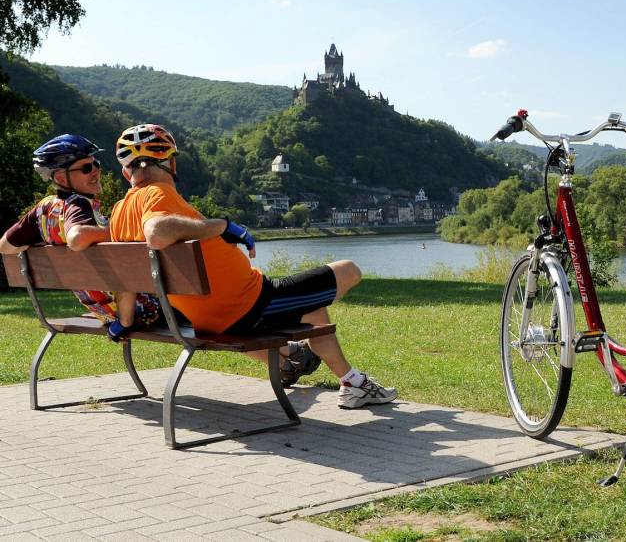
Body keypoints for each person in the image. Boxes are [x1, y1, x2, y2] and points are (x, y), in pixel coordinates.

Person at [107, 124, 395, 408]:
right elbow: (156, 232)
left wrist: (125, 322)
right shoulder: (157, 193)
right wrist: (223, 226)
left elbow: (126, 277)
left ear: (125, 171)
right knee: (349, 270)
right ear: (171, 162)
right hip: (251, 304)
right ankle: (352, 383)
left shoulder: (119, 213)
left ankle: (336, 376)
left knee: (313, 306)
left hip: (207, 318)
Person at [0, 134, 161, 337]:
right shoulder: (78, 204)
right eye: (86, 168)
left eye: (96, 164)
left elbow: (5, 246)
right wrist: (122, 230)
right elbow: (77, 237)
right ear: (59, 177)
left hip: (103, 311)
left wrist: (48, 241)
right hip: (142, 311)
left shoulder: (41, 210)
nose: (96, 171)